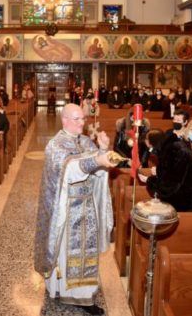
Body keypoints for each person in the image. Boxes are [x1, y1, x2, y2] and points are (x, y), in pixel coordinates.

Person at [34, 104, 115, 315]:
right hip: (67, 209)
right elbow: (70, 169)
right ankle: (61, 289)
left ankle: (84, 295)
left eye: (83, 119)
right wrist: (97, 159)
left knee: (87, 250)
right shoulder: (55, 145)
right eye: (77, 119)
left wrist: (102, 150)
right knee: (65, 251)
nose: (82, 123)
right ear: (65, 120)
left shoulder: (85, 141)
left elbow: (97, 168)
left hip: (87, 206)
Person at [146, 118, 192, 211]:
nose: (152, 151)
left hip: (191, 199)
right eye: (191, 130)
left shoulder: (175, 150)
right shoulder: (177, 147)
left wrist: (150, 181)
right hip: (186, 195)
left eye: (151, 148)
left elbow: (171, 184)